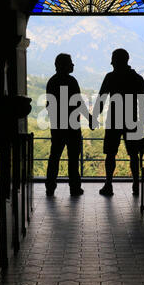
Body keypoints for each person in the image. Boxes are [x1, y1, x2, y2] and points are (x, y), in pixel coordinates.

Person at [93, 48, 144, 196]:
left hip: (114, 119)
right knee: (134, 154)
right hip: (132, 120)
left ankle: (108, 184)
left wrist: (94, 117)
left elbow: (101, 99)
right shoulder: (137, 78)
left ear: (115, 61)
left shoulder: (110, 77)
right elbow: (143, 104)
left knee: (110, 153)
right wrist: (140, 123)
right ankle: (136, 184)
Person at [45, 53, 93, 196]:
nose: (73, 65)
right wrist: (90, 118)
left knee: (54, 156)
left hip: (58, 126)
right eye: (70, 63)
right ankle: (74, 187)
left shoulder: (51, 82)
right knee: (73, 158)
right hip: (72, 126)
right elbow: (78, 103)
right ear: (64, 65)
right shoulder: (72, 81)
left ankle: (50, 187)